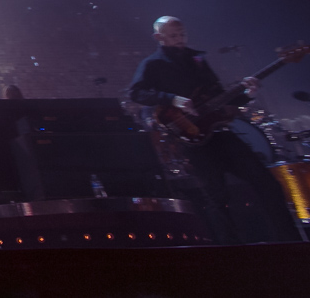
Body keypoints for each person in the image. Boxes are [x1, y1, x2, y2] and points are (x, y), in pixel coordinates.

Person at [128, 15, 299, 243]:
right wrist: (172, 99)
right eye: (173, 36)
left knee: (267, 183)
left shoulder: (197, 58)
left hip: (219, 133)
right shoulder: (152, 64)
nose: (180, 39)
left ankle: (291, 243)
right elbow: (136, 93)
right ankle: (230, 251)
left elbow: (219, 97)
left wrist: (246, 95)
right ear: (159, 37)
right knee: (217, 197)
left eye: (182, 34)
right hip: (189, 138)